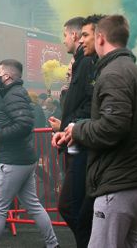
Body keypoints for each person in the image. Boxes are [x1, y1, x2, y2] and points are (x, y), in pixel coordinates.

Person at [54, 14, 137, 247]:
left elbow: (113, 126)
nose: (82, 41)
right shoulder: (127, 69)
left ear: (101, 38)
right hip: (130, 177)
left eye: (87, 35)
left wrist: (77, 130)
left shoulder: (113, 74)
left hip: (118, 180)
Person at [0, 59, 58, 248]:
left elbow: (23, 125)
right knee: (33, 205)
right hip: (23, 158)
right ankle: (53, 244)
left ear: (6, 76)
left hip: (13, 161)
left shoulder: (13, 95)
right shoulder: (16, 93)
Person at [52, 15, 100, 247]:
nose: (64, 41)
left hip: (83, 145)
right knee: (78, 208)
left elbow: (90, 104)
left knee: (72, 207)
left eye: (64, 36)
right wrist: (64, 126)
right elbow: (79, 101)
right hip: (77, 141)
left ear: (75, 35)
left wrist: (71, 127)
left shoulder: (88, 62)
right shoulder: (81, 63)